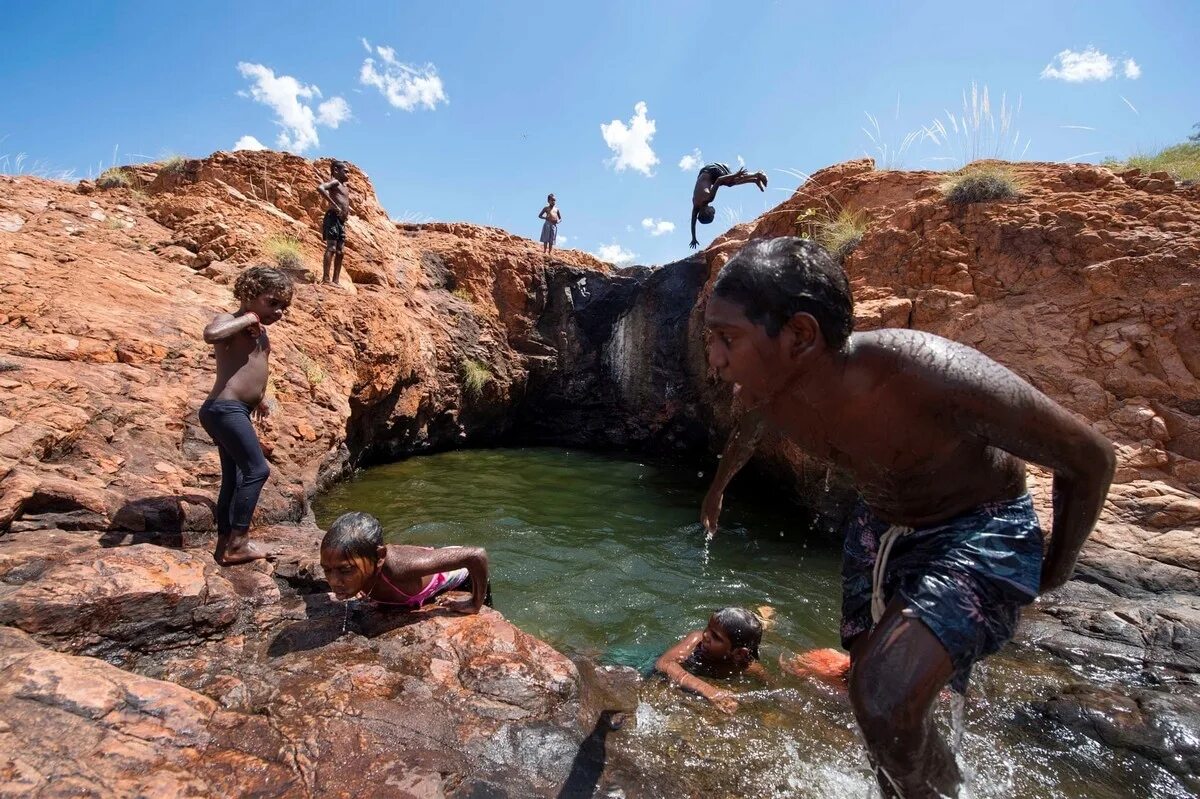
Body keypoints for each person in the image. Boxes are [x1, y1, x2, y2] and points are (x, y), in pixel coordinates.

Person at [700, 237, 1115, 797]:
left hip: (978, 525)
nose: (715, 358)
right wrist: (718, 490)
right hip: (879, 530)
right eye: (712, 338)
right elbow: (745, 435)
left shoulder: (924, 375)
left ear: (800, 335)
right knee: (877, 708)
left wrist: (1055, 569)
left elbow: (1091, 458)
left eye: (728, 338)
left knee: (883, 697)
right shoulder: (764, 392)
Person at [200, 266, 294, 565]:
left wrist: (262, 398)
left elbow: (247, 367)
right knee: (258, 471)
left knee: (235, 476)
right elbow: (210, 334)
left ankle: (226, 541)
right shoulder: (231, 321)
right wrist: (247, 319)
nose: (278, 311)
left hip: (234, 410)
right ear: (249, 295)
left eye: (284, 307)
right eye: (272, 302)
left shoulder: (257, 332)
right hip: (224, 409)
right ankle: (238, 543)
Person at [319, 511, 491, 613]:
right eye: (327, 570)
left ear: (379, 558)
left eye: (345, 570)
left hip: (465, 575)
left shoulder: (399, 569)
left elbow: (477, 556)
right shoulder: (359, 564)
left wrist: (475, 603)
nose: (333, 582)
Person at [654, 607, 767, 715]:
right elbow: (664, 663)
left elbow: (769, 685)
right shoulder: (696, 641)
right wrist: (709, 691)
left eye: (716, 637)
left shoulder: (747, 667)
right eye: (708, 628)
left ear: (739, 653)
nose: (706, 635)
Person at [690, 162, 767, 249]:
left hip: (713, 170)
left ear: (707, 212)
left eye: (712, 214)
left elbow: (719, 180)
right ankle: (754, 180)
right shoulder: (696, 206)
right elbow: (693, 223)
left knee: (732, 180)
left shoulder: (708, 198)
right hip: (705, 173)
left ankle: (757, 174)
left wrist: (735, 174)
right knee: (729, 183)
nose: (714, 212)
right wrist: (694, 238)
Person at [317, 160, 350, 284]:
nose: (348, 174)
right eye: (345, 171)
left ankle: (336, 281)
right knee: (331, 247)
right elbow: (320, 188)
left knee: (340, 251)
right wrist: (334, 204)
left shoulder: (345, 187)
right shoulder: (335, 182)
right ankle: (326, 279)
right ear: (336, 170)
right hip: (332, 217)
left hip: (341, 221)